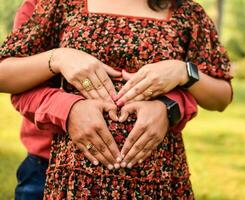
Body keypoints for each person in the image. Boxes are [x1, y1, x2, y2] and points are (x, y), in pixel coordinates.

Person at [0, 0, 232, 199]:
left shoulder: (187, 13)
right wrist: (61, 68)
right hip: (65, 175)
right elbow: (6, 75)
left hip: (158, 178)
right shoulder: (58, 4)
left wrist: (183, 73)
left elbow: (221, 96)